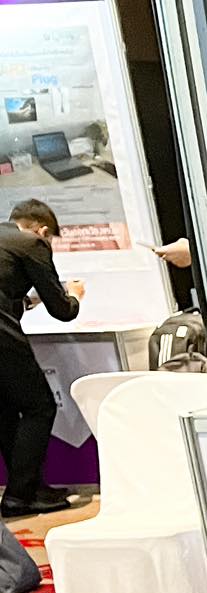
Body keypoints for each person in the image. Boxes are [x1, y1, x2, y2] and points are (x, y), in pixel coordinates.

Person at [1, 199, 84, 521]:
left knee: (6, 412)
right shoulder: (31, 243)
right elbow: (62, 311)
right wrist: (74, 295)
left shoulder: (5, 240)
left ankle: (31, 489)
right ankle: (19, 497)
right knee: (40, 407)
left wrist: (25, 301)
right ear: (43, 231)